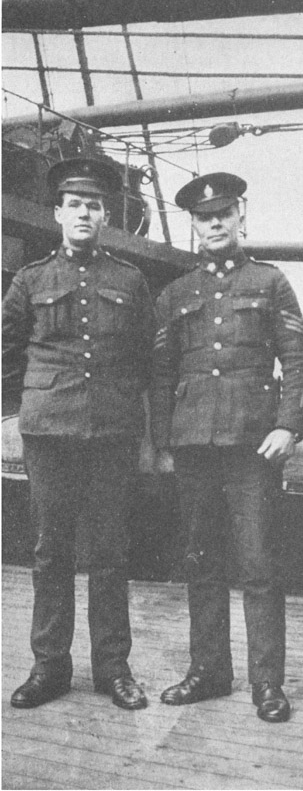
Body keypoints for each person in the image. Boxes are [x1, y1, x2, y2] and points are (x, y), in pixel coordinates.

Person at [150, 172, 303, 722]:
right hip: (194, 444)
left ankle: (267, 683)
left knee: (259, 564)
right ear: (194, 225)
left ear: (240, 216)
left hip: (252, 446)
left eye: (223, 213)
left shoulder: (270, 282)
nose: (215, 223)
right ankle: (209, 671)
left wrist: (288, 425)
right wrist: (163, 442)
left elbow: (297, 358)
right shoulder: (175, 293)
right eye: (204, 217)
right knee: (201, 562)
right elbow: (161, 371)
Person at [3, 157, 156, 710]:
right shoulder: (31, 279)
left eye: (93, 205)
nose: (85, 213)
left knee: (110, 553)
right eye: (75, 205)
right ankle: (50, 667)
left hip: (112, 432)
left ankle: (114, 669)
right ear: (58, 214)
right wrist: (22, 406)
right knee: (51, 552)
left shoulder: (130, 280)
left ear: (106, 215)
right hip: (49, 432)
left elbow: (146, 356)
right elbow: (4, 349)